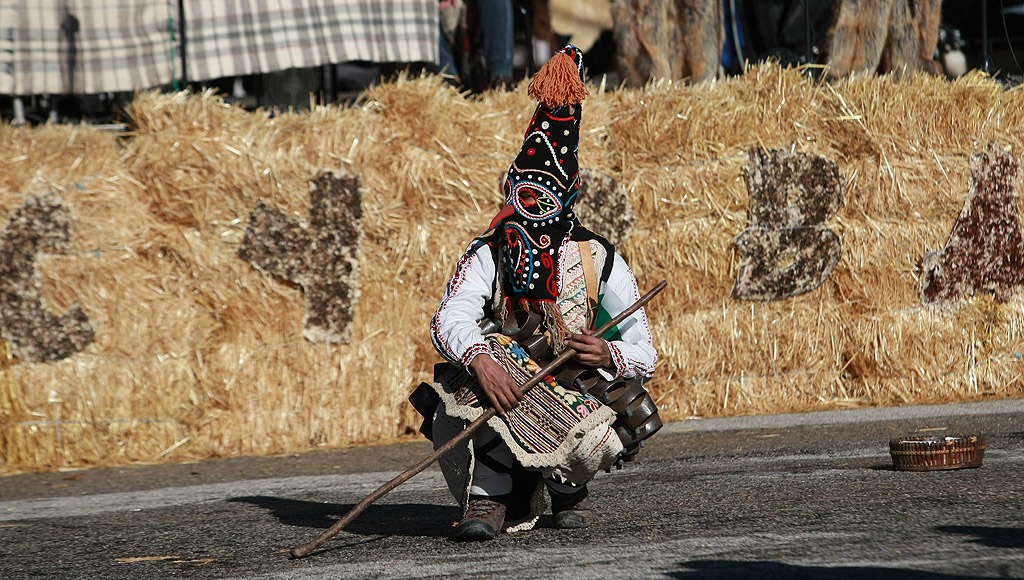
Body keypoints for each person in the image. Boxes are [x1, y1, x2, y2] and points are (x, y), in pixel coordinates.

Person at [425, 45, 659, 541]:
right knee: (479, 372)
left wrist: (609, 353)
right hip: (503, 388)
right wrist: (480, 359)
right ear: (510, 190)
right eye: (523, 193)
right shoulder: (488, 251)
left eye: (545, 196)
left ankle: (569, 486)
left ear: (569, 197)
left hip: (572, 388)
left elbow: (647, 353)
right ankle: (489, 493)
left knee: (605, 401)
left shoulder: (599, 259)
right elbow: (450, 317)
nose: (531, 210)